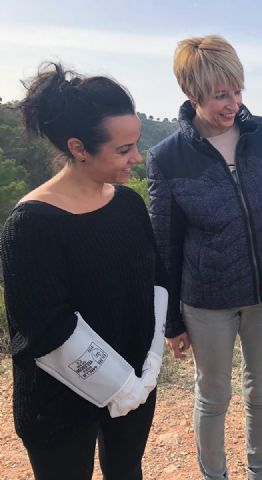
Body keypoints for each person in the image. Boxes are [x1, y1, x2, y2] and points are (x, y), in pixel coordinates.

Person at [147, 35, 262, 480]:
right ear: (191, 93)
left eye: (237, 90)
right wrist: (172, 322)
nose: (234, 103)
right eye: (221, 95)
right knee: (213, 395)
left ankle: (259, 472)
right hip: (208, 300)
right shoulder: (168, 158)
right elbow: (165, 244)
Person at [0, 62, 168, 480]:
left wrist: (148, 364)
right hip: (58, 404)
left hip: (134, 384)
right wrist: (119, 386)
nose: (137, 158)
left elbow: (154, 279)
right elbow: (45, 327)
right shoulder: (30, 225)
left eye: (136, 144)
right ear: (78, 147)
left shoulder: (128, 205)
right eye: (124, 149)